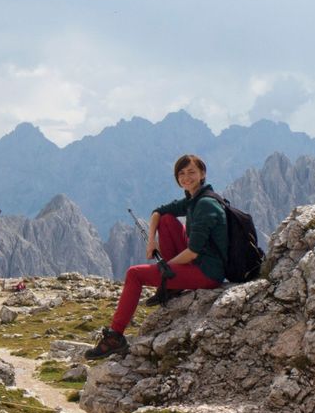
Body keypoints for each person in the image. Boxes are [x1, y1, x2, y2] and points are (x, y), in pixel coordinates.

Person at [85, 153, 228, 360]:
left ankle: (115, 336)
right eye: (181, 173)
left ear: (202, 174)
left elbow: (193, 252)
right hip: (197, 263)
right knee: (167, 219)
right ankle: (173, 285)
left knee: (134, 274)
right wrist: (152, 240)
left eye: (191, 172)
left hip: (207, 272)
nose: (186, 177)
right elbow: (158, 212)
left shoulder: (205, 205)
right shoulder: (193, 200)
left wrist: (165, 267)